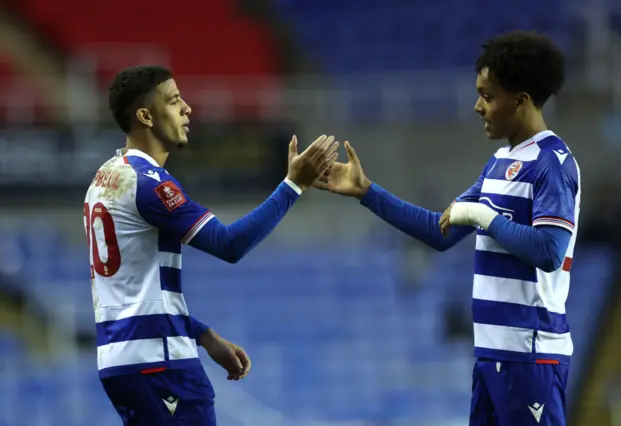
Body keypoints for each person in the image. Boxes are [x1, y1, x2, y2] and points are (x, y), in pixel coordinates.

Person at [316, 31, 579, 425]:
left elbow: (549, 251)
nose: (477, 106)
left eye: (487, 96)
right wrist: (366, 192)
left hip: (530, 354)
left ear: (521, 100)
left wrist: (484, 217)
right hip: (491, 353)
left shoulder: (552, 162)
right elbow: (442, 231)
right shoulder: (498, 162)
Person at [84, 65, 338, 425]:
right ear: (145, 116)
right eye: (173, 101)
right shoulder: (150, 183)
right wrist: (293, 184)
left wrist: (203, 334)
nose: (187, 108)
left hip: (121, 364)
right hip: (161, 363)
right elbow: (228, 243)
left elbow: (133, 295)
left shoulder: (103, 179)